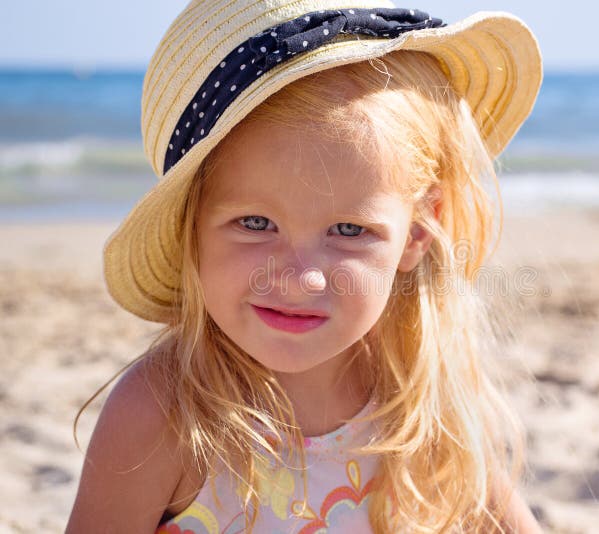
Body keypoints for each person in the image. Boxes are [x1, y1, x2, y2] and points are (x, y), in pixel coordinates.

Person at [67, 1, 543, 532]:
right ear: (190, 227)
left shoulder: (423, 408)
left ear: (415, 231)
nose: (299, 279)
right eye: (255, 223)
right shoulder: (162, 416)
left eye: (347, 231)